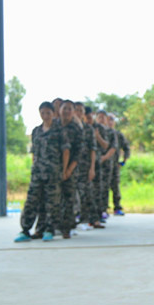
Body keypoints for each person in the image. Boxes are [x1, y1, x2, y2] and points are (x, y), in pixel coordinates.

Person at [15, 102, 69, 242]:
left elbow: (65, 151)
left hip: (53, 172)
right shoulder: (36, 131)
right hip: (38, 172)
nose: (45, 116)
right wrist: (34, 166)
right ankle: (25, 230)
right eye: (43, 113)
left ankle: (49, 230)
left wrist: (64, 170)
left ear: (52, 113)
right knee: (31, 201)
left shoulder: (60, 131)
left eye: (48, 113)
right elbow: (34, 152)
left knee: (52, 202)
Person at [58, 100, 84, 239]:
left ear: (73, 112)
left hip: (71, 169)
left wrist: (68, 170)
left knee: (68, 199)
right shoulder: (54, 126)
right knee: (54, 199)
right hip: (54, 169)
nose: (66, 111)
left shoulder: (76, 129)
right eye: (64, 108)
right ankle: (51, 226)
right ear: (60, 110)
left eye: (69, 109)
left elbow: (79, 153)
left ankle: (66, 228)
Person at [76, 104, 104, 229]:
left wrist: (92, 168)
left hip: (85, 166)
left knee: (88, 193)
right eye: (76, 110)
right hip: (70, 167)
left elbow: (93, 149)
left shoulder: (88, 129)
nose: (78, 113)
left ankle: (94, 219)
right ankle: (76, 219)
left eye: (80, 111)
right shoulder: (66, 128)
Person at [109, 116, 130, 215]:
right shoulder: (99, 132)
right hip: (102, 166)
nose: (109, 122)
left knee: (115, 187)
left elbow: (126, 148)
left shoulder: (118, 135)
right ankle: (102, 210)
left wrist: (123, 161)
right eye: (107, 119)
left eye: (111, 120)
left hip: (114, 165)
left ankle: (117, 207)